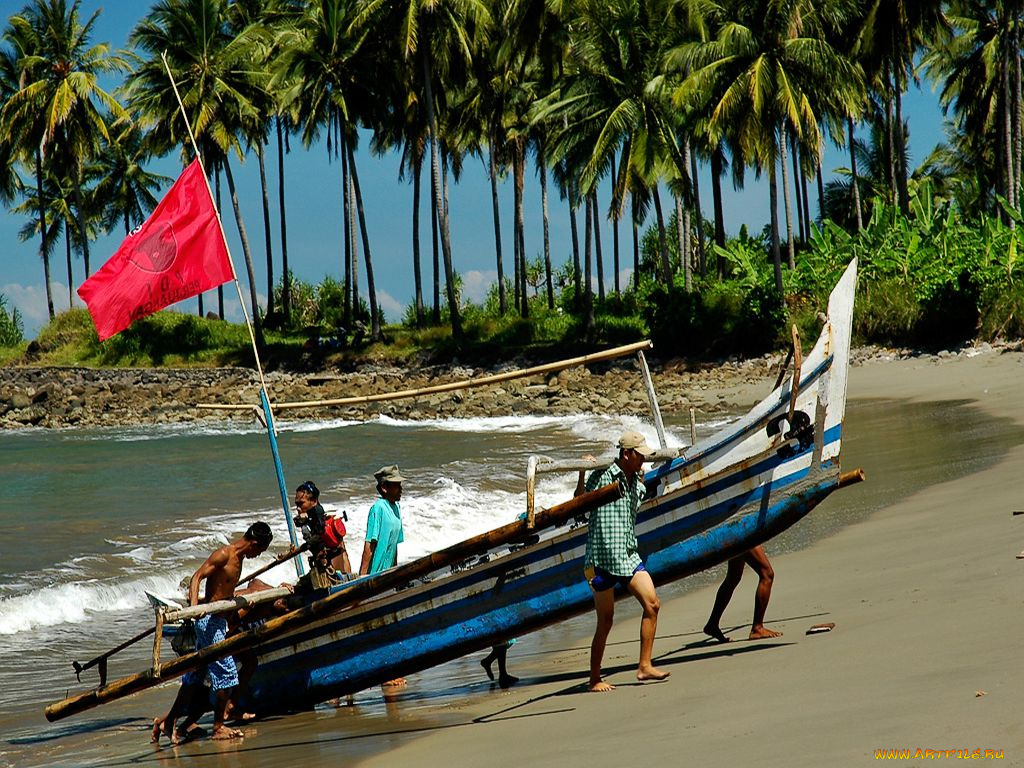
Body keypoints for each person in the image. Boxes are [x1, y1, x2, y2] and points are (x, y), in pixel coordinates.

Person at [155, 521, 273, 743]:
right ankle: (218, 727)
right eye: (260, 551)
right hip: (209, 622)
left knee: (194, 679)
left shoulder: (239, 560)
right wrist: (194, 608)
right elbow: (196, 577)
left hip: (220, 621)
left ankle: (169, 722)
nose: (258, 556)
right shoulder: (224, 555)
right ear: (254, 544)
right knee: (227, 675)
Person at [576, 430, 670, 693]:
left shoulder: (635, 481)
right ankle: (594, 678)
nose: (644, 461)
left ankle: (644, 665)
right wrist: (583, 472)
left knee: (652, 604)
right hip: (601, 560)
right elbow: (579, 502)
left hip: (627, 556)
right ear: (626, 454)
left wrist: (638, 479)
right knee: (605, 620)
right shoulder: (603, 475)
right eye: (640, 456)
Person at [360, 464, 406, 687]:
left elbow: (395, 546)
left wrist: (396, 574)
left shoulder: (396, 509)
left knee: (389, 624)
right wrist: (361, 579)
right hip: (375, 576)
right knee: (381, 626)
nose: (401, 489)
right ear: (384, 488)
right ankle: (385, 674)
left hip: (389, 576)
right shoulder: (378, 509)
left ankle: (390, 670)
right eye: (397, 486)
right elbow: (370, 543)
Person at [703, 545, 783, 642]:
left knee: (733, 578)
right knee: (767, 574)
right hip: (739, 533)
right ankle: (757, 628)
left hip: (732, 536)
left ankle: (712, 624)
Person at [293, 480, 352, 588]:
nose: (298, 508)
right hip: (335, 575)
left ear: (314, 501)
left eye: (301, 504)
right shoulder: (313, 521)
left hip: (332, 577)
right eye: (296, 505)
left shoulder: (323, 522)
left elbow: (339, 555)